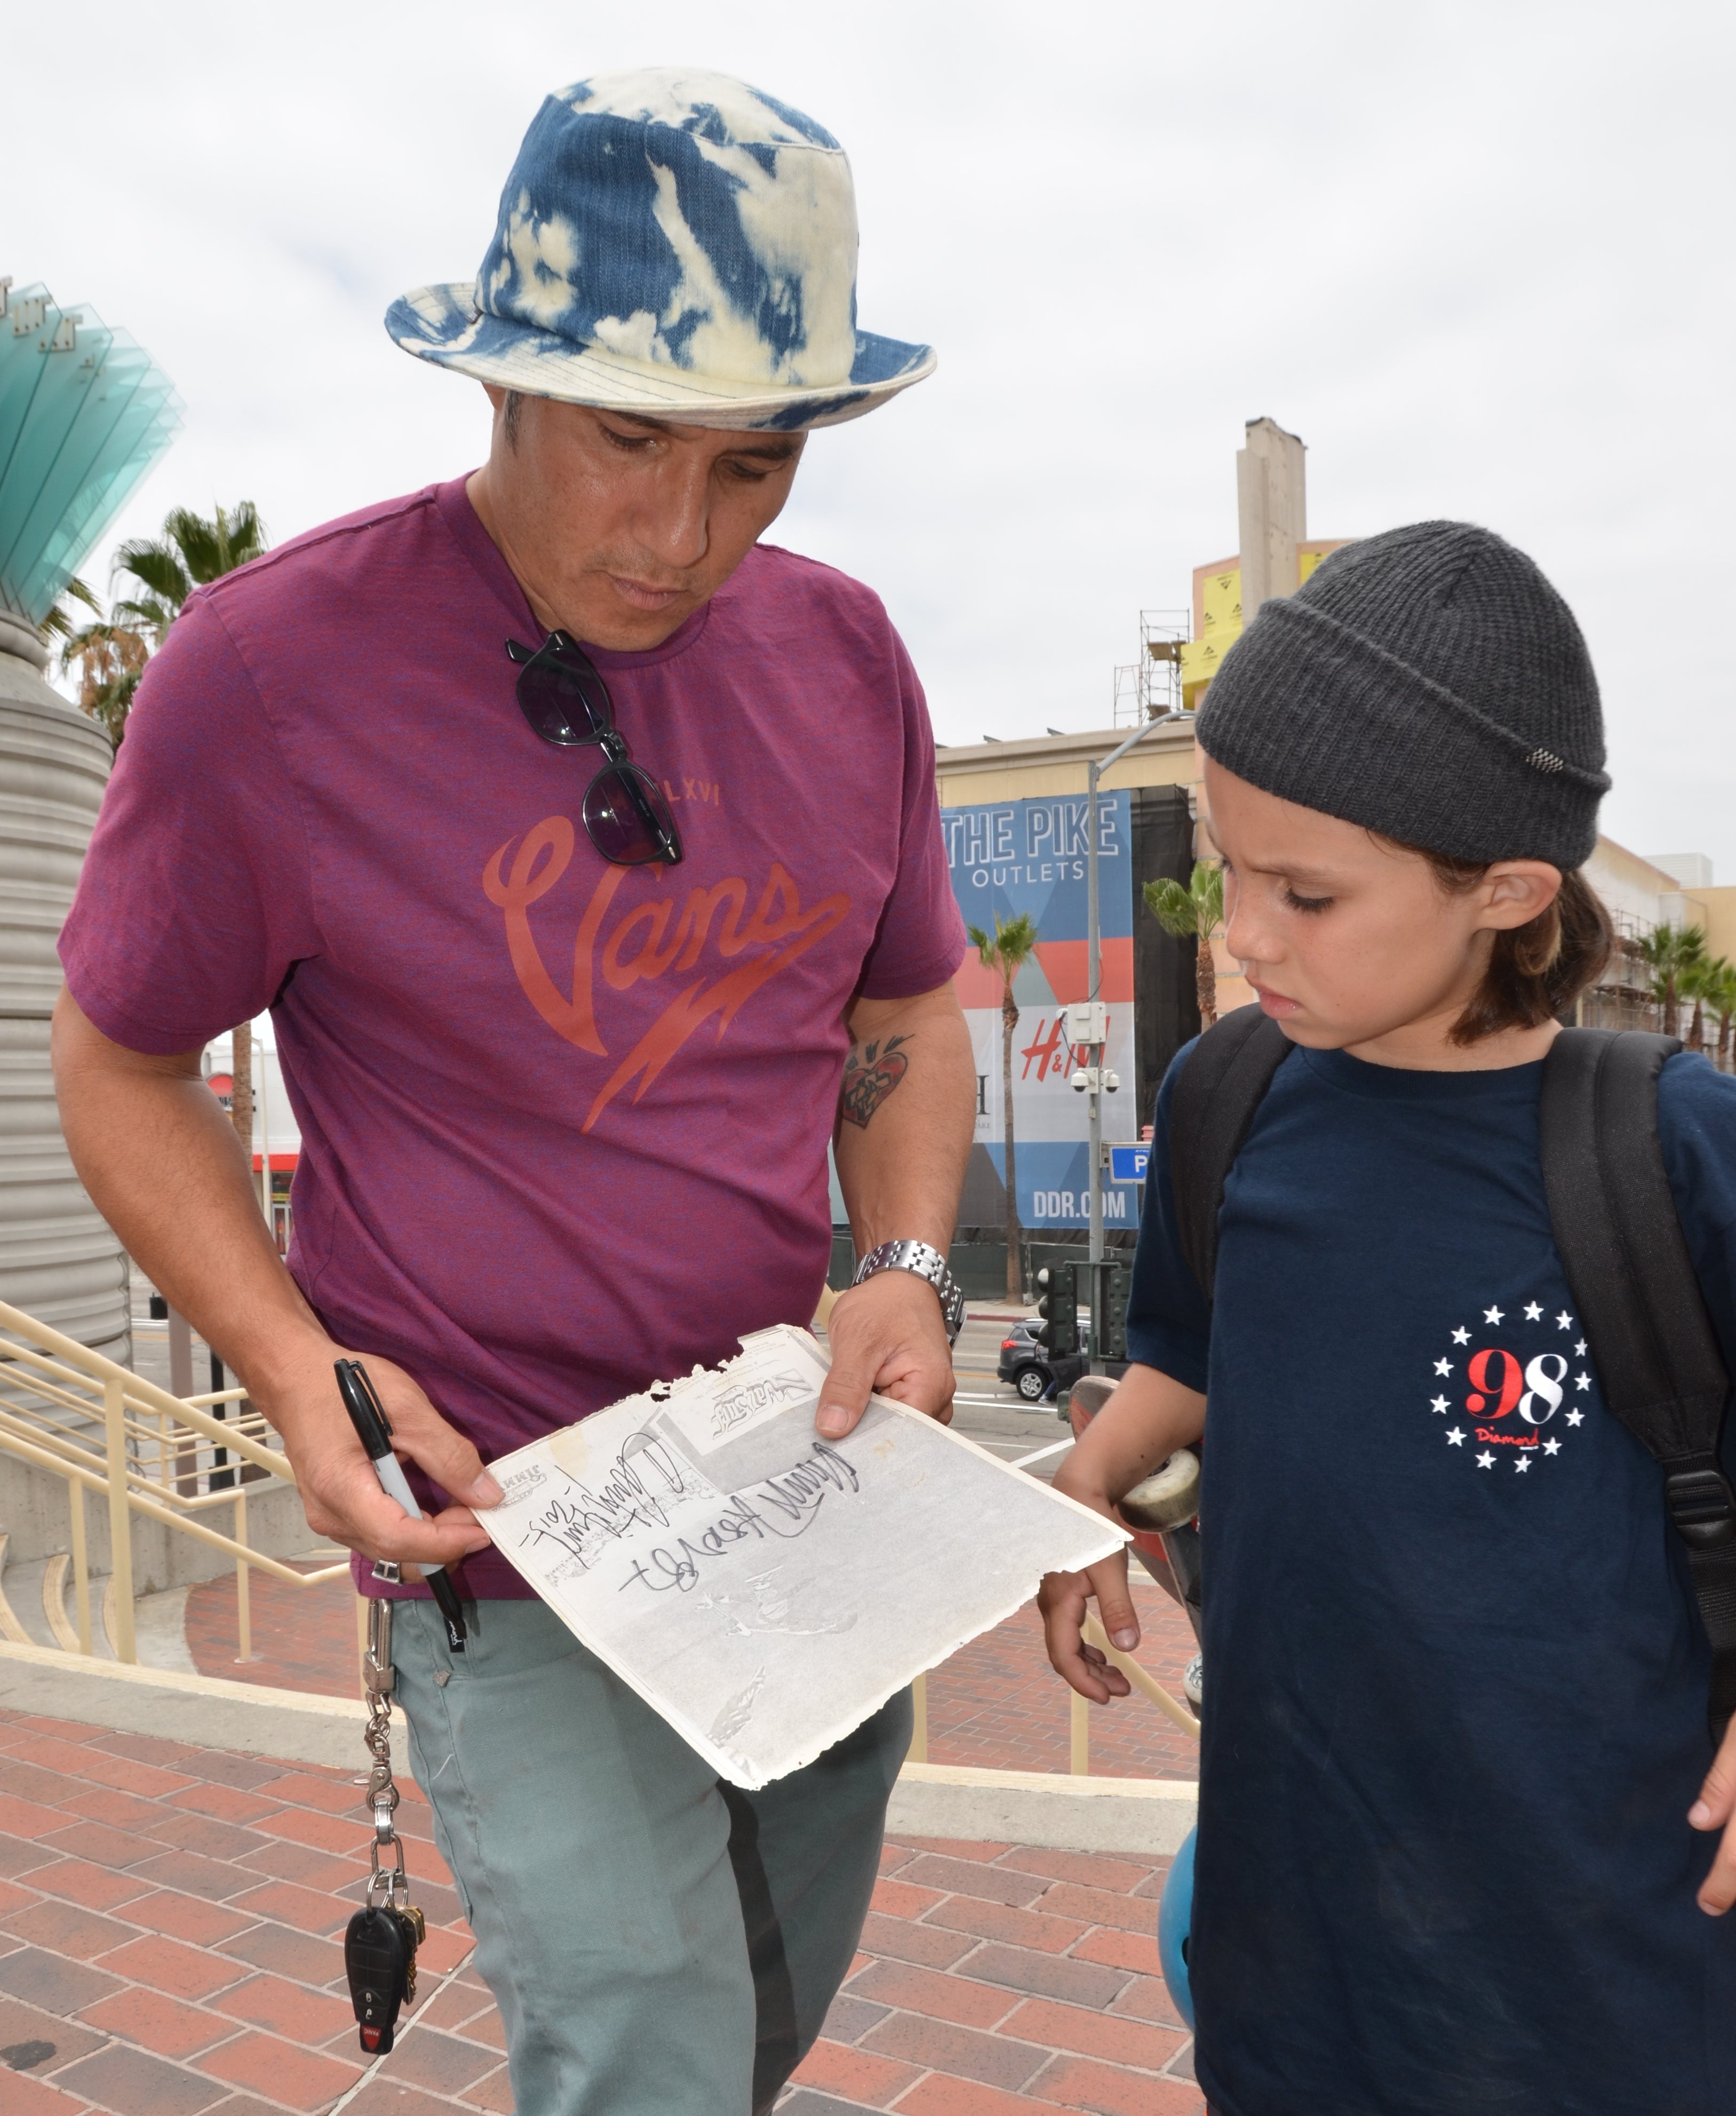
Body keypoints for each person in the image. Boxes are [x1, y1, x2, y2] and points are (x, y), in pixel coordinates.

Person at [52, 68, 975, 2116]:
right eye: (629, 438)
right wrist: (297, 1371)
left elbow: (913, 1002)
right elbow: (117, 1063)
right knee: (644, 2035)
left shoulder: (852, 661)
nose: (681, 535)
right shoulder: (263, 672)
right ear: (502, 384)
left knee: (761, 2002)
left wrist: (907, 1257)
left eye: (756, 465)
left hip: (797, 1482)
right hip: (510, 1528)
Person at [1039, 521, 1736, 2114]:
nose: (1245, 934)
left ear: (1506, 889)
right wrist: (1070, 1501)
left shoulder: (1673, 1147)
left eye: (1309, 893)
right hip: (1301, 1936)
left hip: (1603, 1953)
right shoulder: (1227, 1097)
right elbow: (1182, 1366)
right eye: (1229, 871)